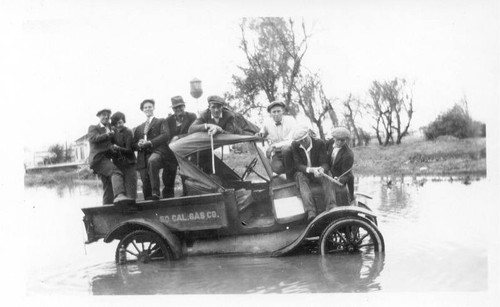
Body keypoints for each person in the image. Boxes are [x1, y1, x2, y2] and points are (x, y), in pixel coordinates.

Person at [87, 109, 134, 205]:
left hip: (105, 160)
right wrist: (107, 135)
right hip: (98, 159)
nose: (106, 117)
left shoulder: (110, 128)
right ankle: (120, 196)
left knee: (108, 185)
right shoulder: (93, 128)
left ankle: (106, 208)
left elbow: (111, 143)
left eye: (108, 115)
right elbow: (93, 139)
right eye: (103, 115)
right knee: (116, 172)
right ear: (99, 116)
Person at [291, 127, 336, 221]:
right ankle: (311, 211)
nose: (304, 141)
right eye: (300, 141)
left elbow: (325, 163)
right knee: (299, 176)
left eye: (305, 139)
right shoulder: (294, 145)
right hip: (305, 173)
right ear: (297, 141)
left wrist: (322, 170)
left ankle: (331, 207)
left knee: (327, 174)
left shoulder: (319, 143)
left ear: (309, 135)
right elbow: (297, 165)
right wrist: (311, 170)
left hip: (319, 172)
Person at [132, 99, 170, 200]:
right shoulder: (139, 127)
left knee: (152, 161)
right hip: (142, 156)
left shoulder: (161, 121)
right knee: (145, 181)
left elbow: (165, 135)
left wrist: (149, 143)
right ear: (142, 110)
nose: (148, 109)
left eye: (150, 107)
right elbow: (133, 145)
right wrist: (139, 144)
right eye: (145, 107)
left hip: (157, 151)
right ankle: (148, 202)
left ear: (153, 108)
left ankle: (156, 193)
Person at [162, 96, 197, 198]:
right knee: (168, 171)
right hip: (172, 152)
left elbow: (194, 133)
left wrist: (178, 137)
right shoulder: (168, 120)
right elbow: (167, 136)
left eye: (180, 107)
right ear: (173, 109)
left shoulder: (192, 116)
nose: (178, 109)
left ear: (184, 106)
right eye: (175, 108)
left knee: (187, 173)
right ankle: (168, 198)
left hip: (188, 150)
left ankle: (188, 195)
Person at [256, 100, 296, 181]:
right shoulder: (267, 122)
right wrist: (260, 135)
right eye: (274, 112)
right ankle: (285, 175)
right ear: (270, 113)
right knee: (276, 168)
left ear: (283, 111)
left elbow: (292, 140)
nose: (276, 114)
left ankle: (291, 178)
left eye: (278, 111)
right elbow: (262, 133)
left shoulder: (291, 120)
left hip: (291, 151)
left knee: (285, 149)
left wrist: (274, 146)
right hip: (277, 153)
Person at [110, 111, 137, 199]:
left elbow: (129, 150)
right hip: (118, 164)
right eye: (116, 123)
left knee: (131, 192)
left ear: (124, 121)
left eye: (120, 122)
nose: (118, 125)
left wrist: (118, 148)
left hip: (129, 164)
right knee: (121, 192)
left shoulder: (128, 132)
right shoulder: (113, 132)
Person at [326, 127, 355, 206]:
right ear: (333, 138)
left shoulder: (348, 154)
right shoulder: (329, 143)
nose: (339, 142)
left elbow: (347, 174)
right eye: (337, 139)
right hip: (328, 174)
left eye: (342, 140)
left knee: (341, 193)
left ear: (346, 140)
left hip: (339, 177)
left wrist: (340, 179)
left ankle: (349, 201)